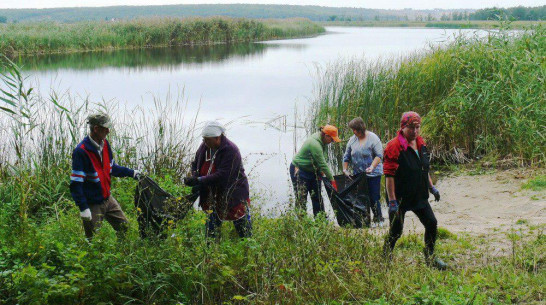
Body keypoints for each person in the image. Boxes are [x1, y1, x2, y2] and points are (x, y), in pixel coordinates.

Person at [382, 111, 447, 270]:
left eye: (418, 127)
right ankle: (386, 254)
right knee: (396, 231)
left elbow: (423, 169)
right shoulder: (394, 146)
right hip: (399, 197)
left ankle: (430, 257)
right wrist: (392, 201)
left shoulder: (420, 143)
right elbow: (389, 176)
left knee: (431, 223)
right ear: (403, 127)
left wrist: (432, 187)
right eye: (411, 128)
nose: (415, 131)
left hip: (418, 194)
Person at [70, 113, 140, 239]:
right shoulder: (81, 151)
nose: (108, 131)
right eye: (105, 128)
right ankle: (90, 258)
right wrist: (83, 208)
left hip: (108, 199)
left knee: (124, 228)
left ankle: (121, 255)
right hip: (93, 204)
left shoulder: (105, 144)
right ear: (96, 129)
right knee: (92, 240)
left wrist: (132, 173)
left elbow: (112, 168)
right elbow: (76, 183)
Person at [184, 121, 251, 239]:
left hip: (233, 192)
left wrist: (200, 180)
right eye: (204, 139)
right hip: (212, 194)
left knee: (242, 224)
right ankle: (210, 250)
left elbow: (223, 175)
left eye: (208, 139)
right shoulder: (205, 146)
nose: (205, 142)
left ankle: (249, 247)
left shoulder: (231, 150)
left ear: (218, 138)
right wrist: (194, 177)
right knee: (211, 226)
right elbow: (195, 163)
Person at [342, 117, 385, 227]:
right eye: (353, 130)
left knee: (373, 197)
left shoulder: (373, 138)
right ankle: (365, 220)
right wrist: (345, 169)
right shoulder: (352, 140)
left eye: (355, 129)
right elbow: (346, 157)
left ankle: (378, 219)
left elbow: (379, 155)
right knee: (361, 198)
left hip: (373, 173)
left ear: (360, 128)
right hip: (358, 174)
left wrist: (372, 167)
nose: (353, 132)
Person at [290, 125, 341, 216]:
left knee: (317, 196)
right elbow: (323, 163)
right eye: (332, 139)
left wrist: (320, 170)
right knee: (301, 197)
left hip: (313, 171)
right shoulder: (315, 143)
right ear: (326, 135)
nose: (332, 141)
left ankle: (320, 221)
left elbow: (322, 159)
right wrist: (332, 179)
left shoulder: (323, 141)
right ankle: (301, 223)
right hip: (300, 169)